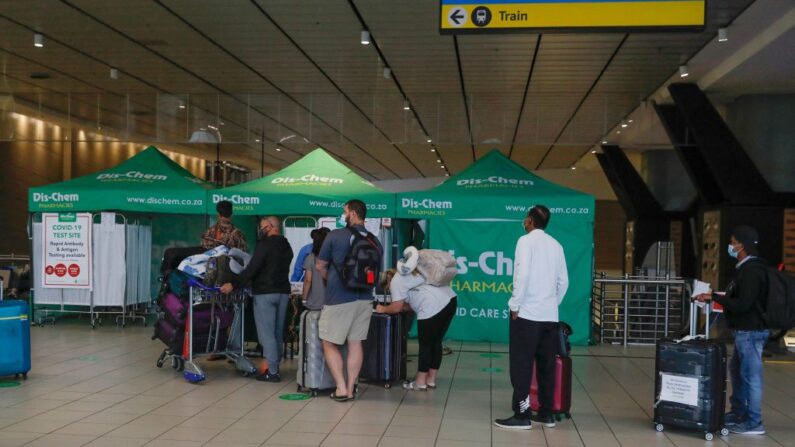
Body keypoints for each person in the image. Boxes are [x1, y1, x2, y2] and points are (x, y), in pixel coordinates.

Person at [495, 205, 568, 431]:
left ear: (530, 221)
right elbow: (564, 282)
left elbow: (522, 274)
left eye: (525, 218)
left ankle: (522, 414)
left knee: (521, 365)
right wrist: (551, 304)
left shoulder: (525, 242)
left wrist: (515, 304)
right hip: (549, 317)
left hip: (527, 315)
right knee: (546, 365)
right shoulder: (556, 245)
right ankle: (546, 414)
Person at [696, 225, 769, 435]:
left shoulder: (752, 270)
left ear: (741, 246)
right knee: (737, 372)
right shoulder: (746, 268)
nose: (731, 245)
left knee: (750, 376)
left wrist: (716, 298)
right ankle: (738, 413)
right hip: (744, 330)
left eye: (733, 241)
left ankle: (754, 423)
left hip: (751, 331)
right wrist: (718, 297)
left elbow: (743, 303)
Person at [316, 199, 382, 402]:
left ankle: (341, 387)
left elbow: (320, 266)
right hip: (364, 299)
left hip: (339, 298)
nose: (343, 215)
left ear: (352, 214)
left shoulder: (335, 236)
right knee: (355, 343)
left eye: (344, 211)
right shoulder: (374, 240)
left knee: (328, 342)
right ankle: (352, 388)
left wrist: (334, 280)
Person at [221, 216, 293, 382]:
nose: (260, 230)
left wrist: (234, 284)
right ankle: (274, 365)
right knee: (276, 332)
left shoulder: (264, 245)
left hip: (265, 293)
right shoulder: (286, 246)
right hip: (282, 292)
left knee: (266, 334)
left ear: (270, 227)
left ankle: (272, 372)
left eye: (262, 227)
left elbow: (252, 268)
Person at [376, 268, 457, 391]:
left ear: (387, 282)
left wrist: (382, 309)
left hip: (432, 305)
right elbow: (412, 301)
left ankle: (420, 382)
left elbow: (396, 307)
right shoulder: (411, 275)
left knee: (425, 344)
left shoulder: (395, 282)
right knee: (436, 341)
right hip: (450, 300)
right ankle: (431, 380)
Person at [302, 227, 331, 310]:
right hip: (331, 302)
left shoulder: (310, 258)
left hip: (314, 302)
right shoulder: (333, 257)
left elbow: (308, 280)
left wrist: (304, 299)